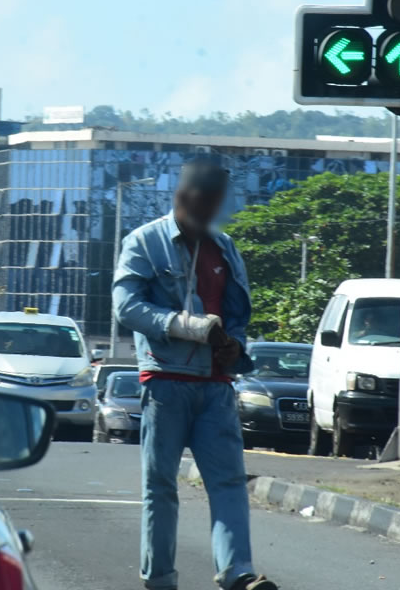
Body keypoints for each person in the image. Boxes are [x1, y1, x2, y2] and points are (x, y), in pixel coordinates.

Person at [113, 158, 278, 590]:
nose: (210, 216)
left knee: (227, 482)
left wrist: (233, 344)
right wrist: (187, 326)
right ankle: (160, 579)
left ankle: (237, 573)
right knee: (161, 486)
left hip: (218, 387)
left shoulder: (226, 249)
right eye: (203, 205)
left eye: (216, 206)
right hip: (165, 382)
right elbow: (126, 307)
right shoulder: (144, 243)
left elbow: (239, 317)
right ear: (182, 198)